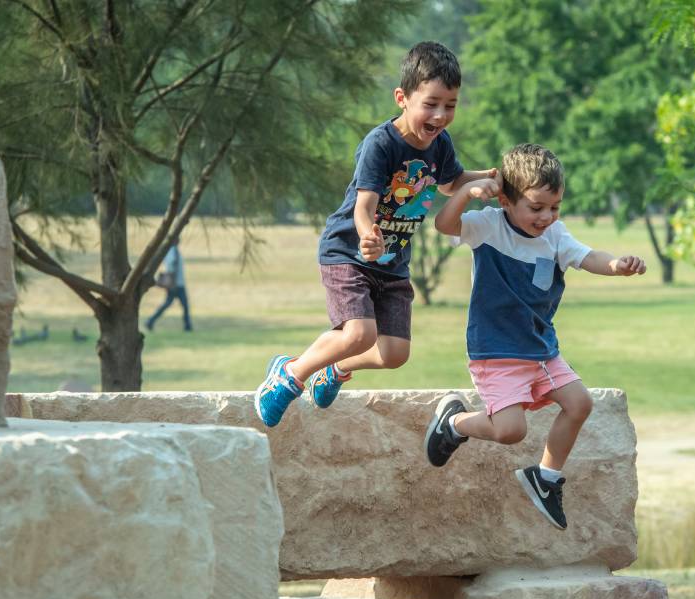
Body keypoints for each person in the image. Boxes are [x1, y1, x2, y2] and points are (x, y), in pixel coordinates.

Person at [253, 41, 498, 427]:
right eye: (431, 103)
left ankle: (333, 370)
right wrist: (368, 235)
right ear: (402, 98)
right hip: (349, 253)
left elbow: (450, 183)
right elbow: (363, 205)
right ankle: (289, 375)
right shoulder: (381, 144)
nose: (440, 115)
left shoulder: (440, 145)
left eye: (450, 105)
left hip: (393, 264)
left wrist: (492, 177)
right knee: (360, 332)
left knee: (394, 353)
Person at [423, 143, 646, 530]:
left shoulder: (555, 235)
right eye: (536, 207)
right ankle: (454, 424)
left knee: (579, 403)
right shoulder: (489, 225)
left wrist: (616, 265)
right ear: (507, 200)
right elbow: (445, 225)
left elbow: (588, 256)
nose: (546, 217)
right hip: (496, 351)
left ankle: (545, 478)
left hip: (541, 349)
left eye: (554, 207)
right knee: (510, 431)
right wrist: (464, 193)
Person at [146, 245, 192, 332]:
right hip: (176, 284)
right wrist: (172, 283)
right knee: (181, 305)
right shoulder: (172, 251)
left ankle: (150, 321)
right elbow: (172, 265)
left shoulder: (173, 250)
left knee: (169, 304)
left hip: (178, 283)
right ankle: (187, 326)